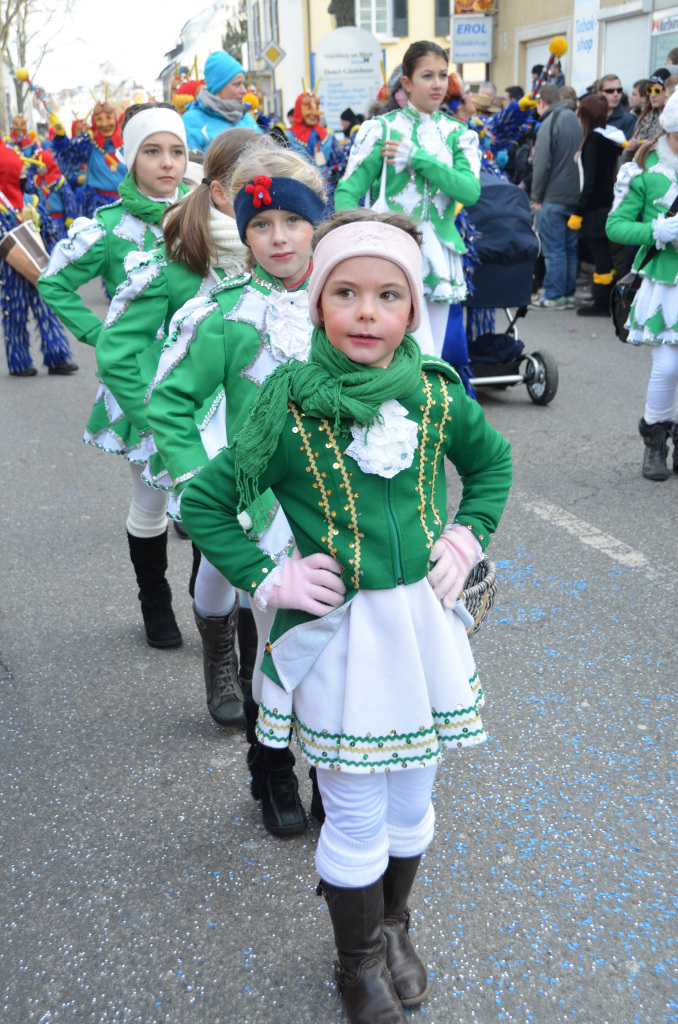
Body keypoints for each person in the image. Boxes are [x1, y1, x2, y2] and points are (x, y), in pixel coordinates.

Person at [180, 208, 513, 1024]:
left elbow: (492, 463)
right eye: (348, 292)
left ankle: (395, 925)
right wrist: (271, 579)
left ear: (412, 310)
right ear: (318, 301)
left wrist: (466, 539)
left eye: (389, 295)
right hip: (340, 639)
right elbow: (208, 502)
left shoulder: (436, 398)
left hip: (423, 632)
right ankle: (356, 960)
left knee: (414, 802)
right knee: (357, 806)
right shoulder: (287, 406)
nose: (368, 312)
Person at [145, 148, 327, 837]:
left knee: (335, 646)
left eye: (293, 221)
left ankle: (335, 768)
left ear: (319, 224)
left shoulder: (349, 298)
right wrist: (203, 488)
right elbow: (170, 406)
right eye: (262, 224)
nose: (279, 238)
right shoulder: (222, 315)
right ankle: (271, 766)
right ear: (242, 230)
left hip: (340, 505)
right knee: (272, 642)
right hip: (260, 508)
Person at [95, 128, 277, 729]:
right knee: (219, 551)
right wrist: (162, 426)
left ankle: (260, 690)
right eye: (256, 191)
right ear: (221, 192)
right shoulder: (173, 260)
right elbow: (119, 351)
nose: (271, 209)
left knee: (264, 548)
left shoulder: (285, 258)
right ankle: (213, 649)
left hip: (265, 426)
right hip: (196, 433)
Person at [38, 103, 190, 646]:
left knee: (206, 492)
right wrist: (100, 335)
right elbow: (54, 281)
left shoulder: (202, 216)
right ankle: (156, 602)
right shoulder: (105, 229)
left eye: (176, 151)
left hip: (202, 379)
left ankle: (211, 604)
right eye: (152, 151)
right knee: (151, 496)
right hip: (137, 382)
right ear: (130, 159)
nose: (167, 164)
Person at [334, 40, 481, 359]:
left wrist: (418, 158)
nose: (438, 84)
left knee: (436, 355)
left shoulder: (459, 133)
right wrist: (358, 236)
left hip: (439, 254)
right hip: (390, 249)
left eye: (443, 75)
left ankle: (434, 408)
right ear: (407, 82)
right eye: (428, 75)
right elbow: (347, 189)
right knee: (399, 349)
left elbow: (469, 191)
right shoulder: (381, 130)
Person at [607, 90, 678, 481]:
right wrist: (656, 230)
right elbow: (614, 226)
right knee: (668, 365)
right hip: (664, 282)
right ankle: (655, 441)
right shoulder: (642, 166)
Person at [0, 138, 77, 377]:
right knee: (15, 315)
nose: (25, 176)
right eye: (20, 172)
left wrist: (39, 221)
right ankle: (19, 360)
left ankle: (57, 357)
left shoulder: (30, 200)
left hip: (39, 262)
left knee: (47, 309)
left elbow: (49, 229)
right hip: (11, 271)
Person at [567, 93, 626, 317]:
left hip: (595, 209)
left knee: (600, 257)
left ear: (586, 114)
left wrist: (578, 212)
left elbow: (589, 182)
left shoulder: (592, 140)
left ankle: (602, 303)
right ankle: (607, 300)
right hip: (607, 204)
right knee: (605, 256)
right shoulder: (608, 139)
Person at [529, 82, 582, 309]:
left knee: (553, 251)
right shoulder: (573, 117)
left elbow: (541, 164)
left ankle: (553, 295)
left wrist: (536, 198)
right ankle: (568, 294)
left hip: (551, 197)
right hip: (573, 196)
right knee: (569, 248)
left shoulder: (549, 122)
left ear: (542, 102)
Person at [50, 100, 128, 217]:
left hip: (127, 204)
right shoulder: (89, 143)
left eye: (108, 117)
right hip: (98, 206)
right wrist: (60, 136)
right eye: (99, 119)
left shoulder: (128, 141)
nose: (105, 124)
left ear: (115, 118)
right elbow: (67, 152)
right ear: (94, 122)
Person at [182, 51, 260, 152]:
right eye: (237, 84)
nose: (244, 90)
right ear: (218, 88)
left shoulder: (247, 118)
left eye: (243, 84)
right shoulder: (191, 122)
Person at [626, 69, 670, 160]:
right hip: (638, 168)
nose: (652, 95)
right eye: (649, 91)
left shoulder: (672, 120)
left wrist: (652, 147)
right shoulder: (645, 117)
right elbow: (627, 159)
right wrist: (629, 148)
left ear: (668, 91)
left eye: (657, 90)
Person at [598, 74, 636, 139]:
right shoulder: (592, 116)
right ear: (600, 93)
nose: (616, 94)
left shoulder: (629, 120)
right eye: (610, 91)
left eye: (619, 90)